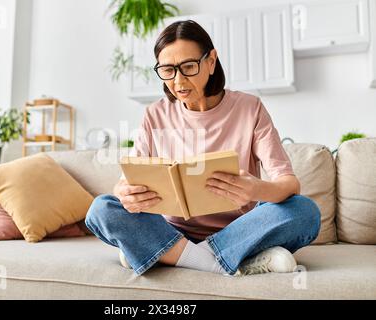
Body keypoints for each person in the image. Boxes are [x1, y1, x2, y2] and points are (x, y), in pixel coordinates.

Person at [85, 20, 320, 276]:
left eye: (188, 67)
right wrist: (126, 194)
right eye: (167, 70)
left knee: (305, 211)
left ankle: (162, 254)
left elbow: (289, 183)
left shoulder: (250, 108)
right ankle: (225, 260)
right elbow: (123, 184)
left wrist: (256, 189)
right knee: (101, 209)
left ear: (211, 61)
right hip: (173, 230)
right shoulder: (154, 114)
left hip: (241, 230)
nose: (178, 81)